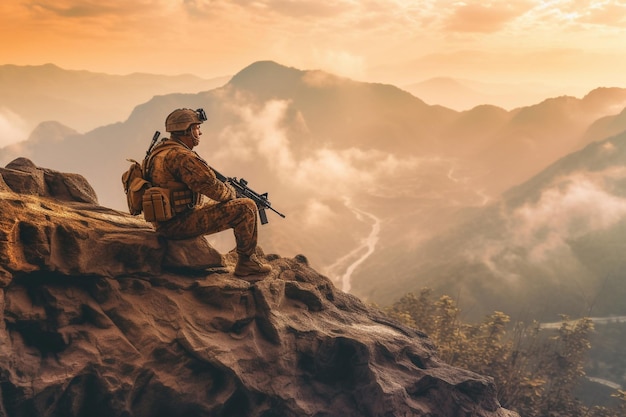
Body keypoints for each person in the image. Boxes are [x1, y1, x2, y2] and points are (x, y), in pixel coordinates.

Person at [144, 108, 271, 278]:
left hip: (165, 220)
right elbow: (216, 191)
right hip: (177, 225)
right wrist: (234, 193)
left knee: (225, 204)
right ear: (187, 130)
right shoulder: (182, 157)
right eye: (197, 128)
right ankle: (247, 264)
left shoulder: (160, 151)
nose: (200, 132)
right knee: (246, 207)